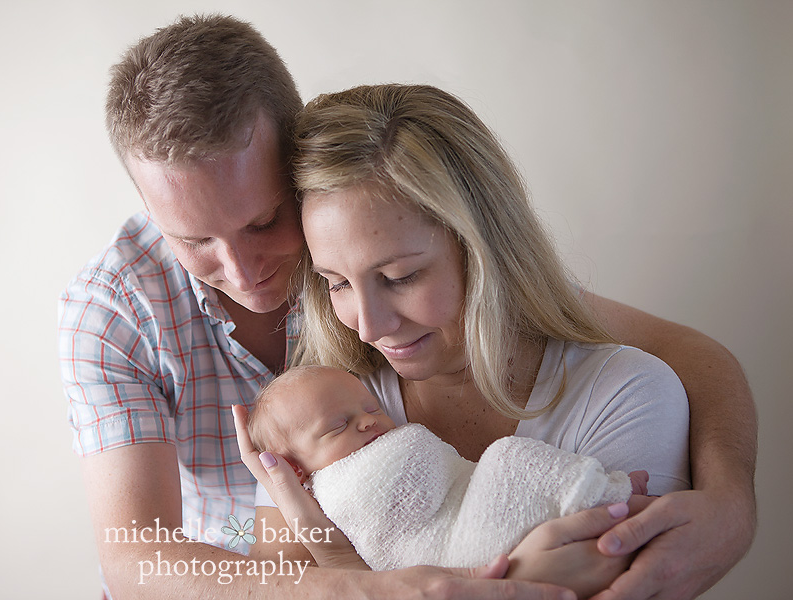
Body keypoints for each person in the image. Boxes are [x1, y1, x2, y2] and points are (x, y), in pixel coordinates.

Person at [58, 12, 756, 600]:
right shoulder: (116, 309)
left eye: (264, 222)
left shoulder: (359, 227)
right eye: (194, 240)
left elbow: (682, 355)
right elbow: (133, 555)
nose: (242, 271)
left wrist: (730, 502)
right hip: (228, 560)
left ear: (297, 173)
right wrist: (367, 586)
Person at [240, 83, 693, 596]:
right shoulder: (322, 417)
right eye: (337, 283)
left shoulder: (624, 396)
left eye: (400, 277)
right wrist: (337, 558)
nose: (368, 327)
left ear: (485, 251)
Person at [246, 365, 654, 579]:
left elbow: (455, 480)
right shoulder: (337, 491)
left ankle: (601, 498)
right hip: (458, 556)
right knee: (508, 458)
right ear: (297, 469)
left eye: (372, 409)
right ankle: (607, 494)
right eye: (338, 426)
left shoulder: (627, 384)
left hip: (471, 529)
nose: (369, 423)